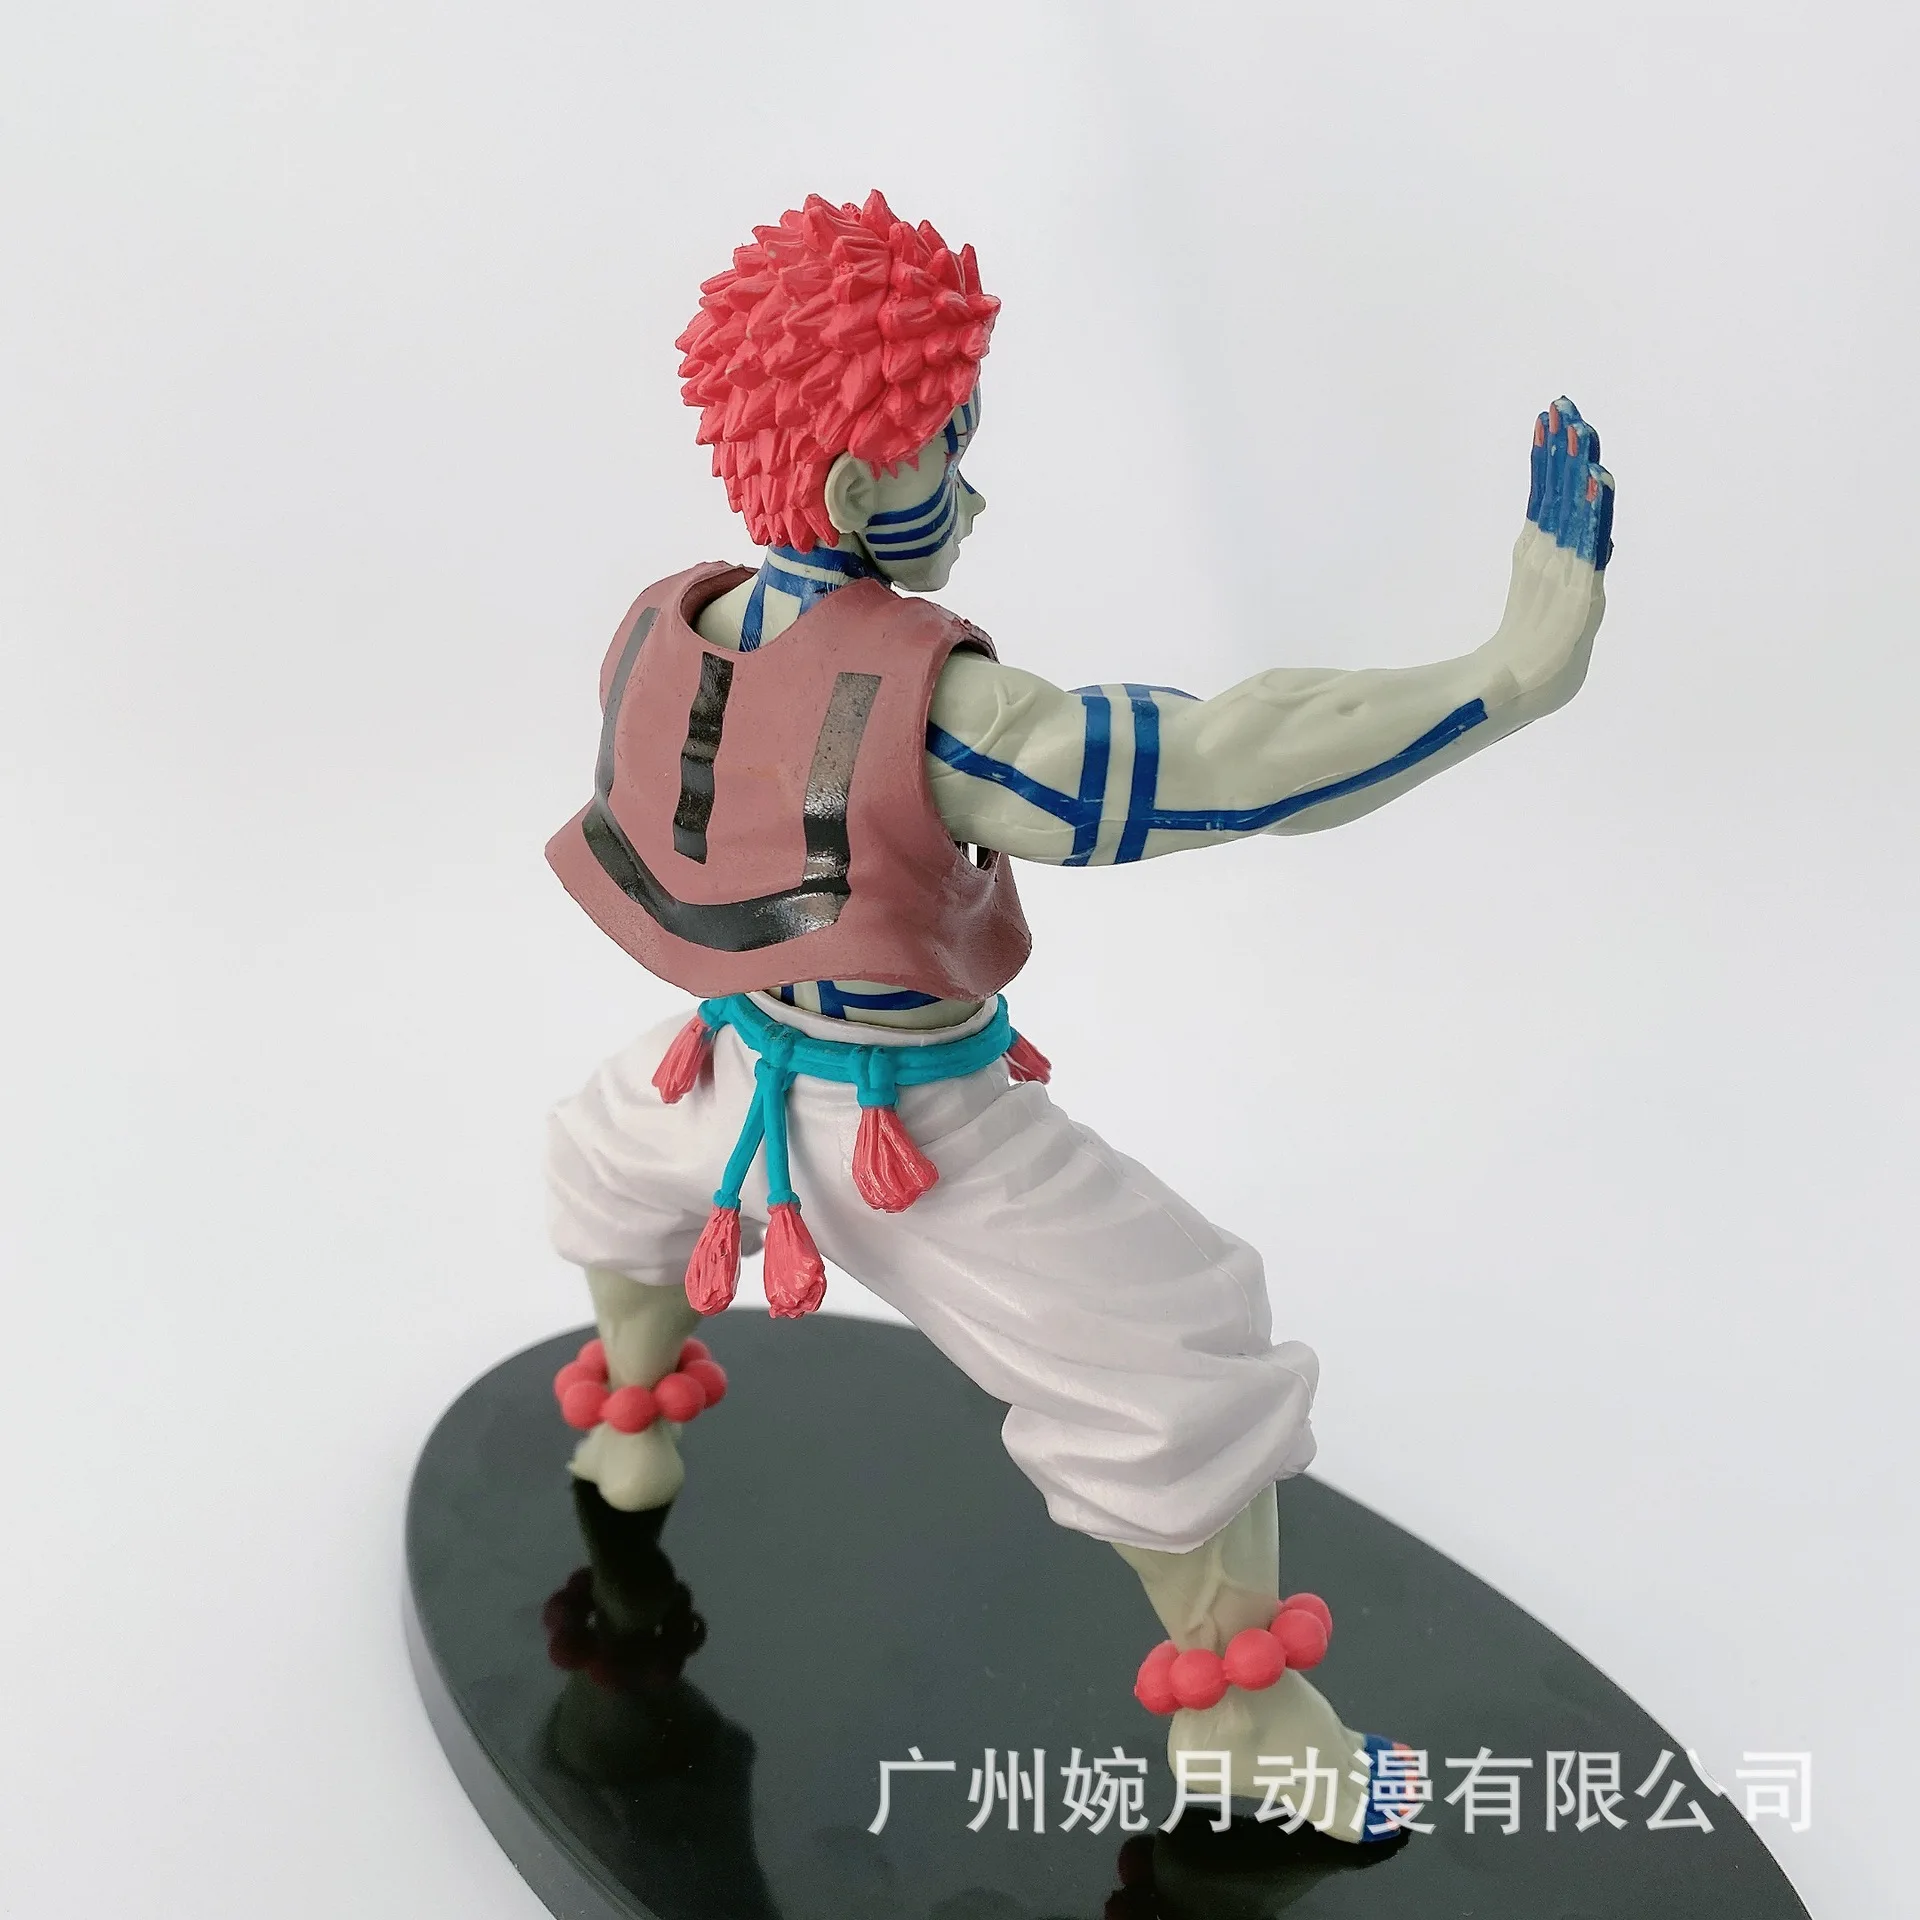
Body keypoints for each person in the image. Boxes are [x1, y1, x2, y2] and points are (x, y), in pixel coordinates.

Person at [542, 190, 1615, 1841]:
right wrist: (1502, 677)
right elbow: (1219, 759)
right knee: (1184, 1347)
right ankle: (1247, 1720)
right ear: (854, 488)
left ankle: (628, 1425)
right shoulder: (937, 710)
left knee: (603, 1163)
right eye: (947, 451)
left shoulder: (656, 627)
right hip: (905, 1130)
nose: (971, 494)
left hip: (711, 1075)